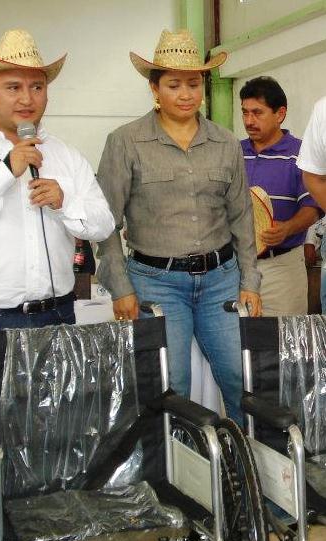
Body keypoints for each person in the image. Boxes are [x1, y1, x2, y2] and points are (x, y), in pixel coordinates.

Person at [0, 29, 114, 412]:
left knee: (61, 430)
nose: (27, 99)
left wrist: (64, 201)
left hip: (57, 315)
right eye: (13, 87)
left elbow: (103, 224)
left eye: (37, 87)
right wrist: (4, 171)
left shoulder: (66, 156)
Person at [96, 29, 261, 424]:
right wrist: (120, 286)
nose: (186, 94)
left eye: (193, 84)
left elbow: (241, 217)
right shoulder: (125, 142)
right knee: (170, 384)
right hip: (156, 283)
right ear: (154, 89)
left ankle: (246, 455)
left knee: (242, 376)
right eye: (174, 85)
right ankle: (177, 461)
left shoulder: (225, 143)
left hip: (221, 280)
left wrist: (250, 281)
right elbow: (105, 222)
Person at [240, 76, 319, 317]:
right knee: (237, 337)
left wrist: (287, 228)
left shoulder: (300, 154)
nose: (249, 121)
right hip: (236, 267)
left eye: (257, 113)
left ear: (280, 114)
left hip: (281, 268)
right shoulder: (233, 151)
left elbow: (313, 207)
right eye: (245, 113)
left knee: (283, 336)